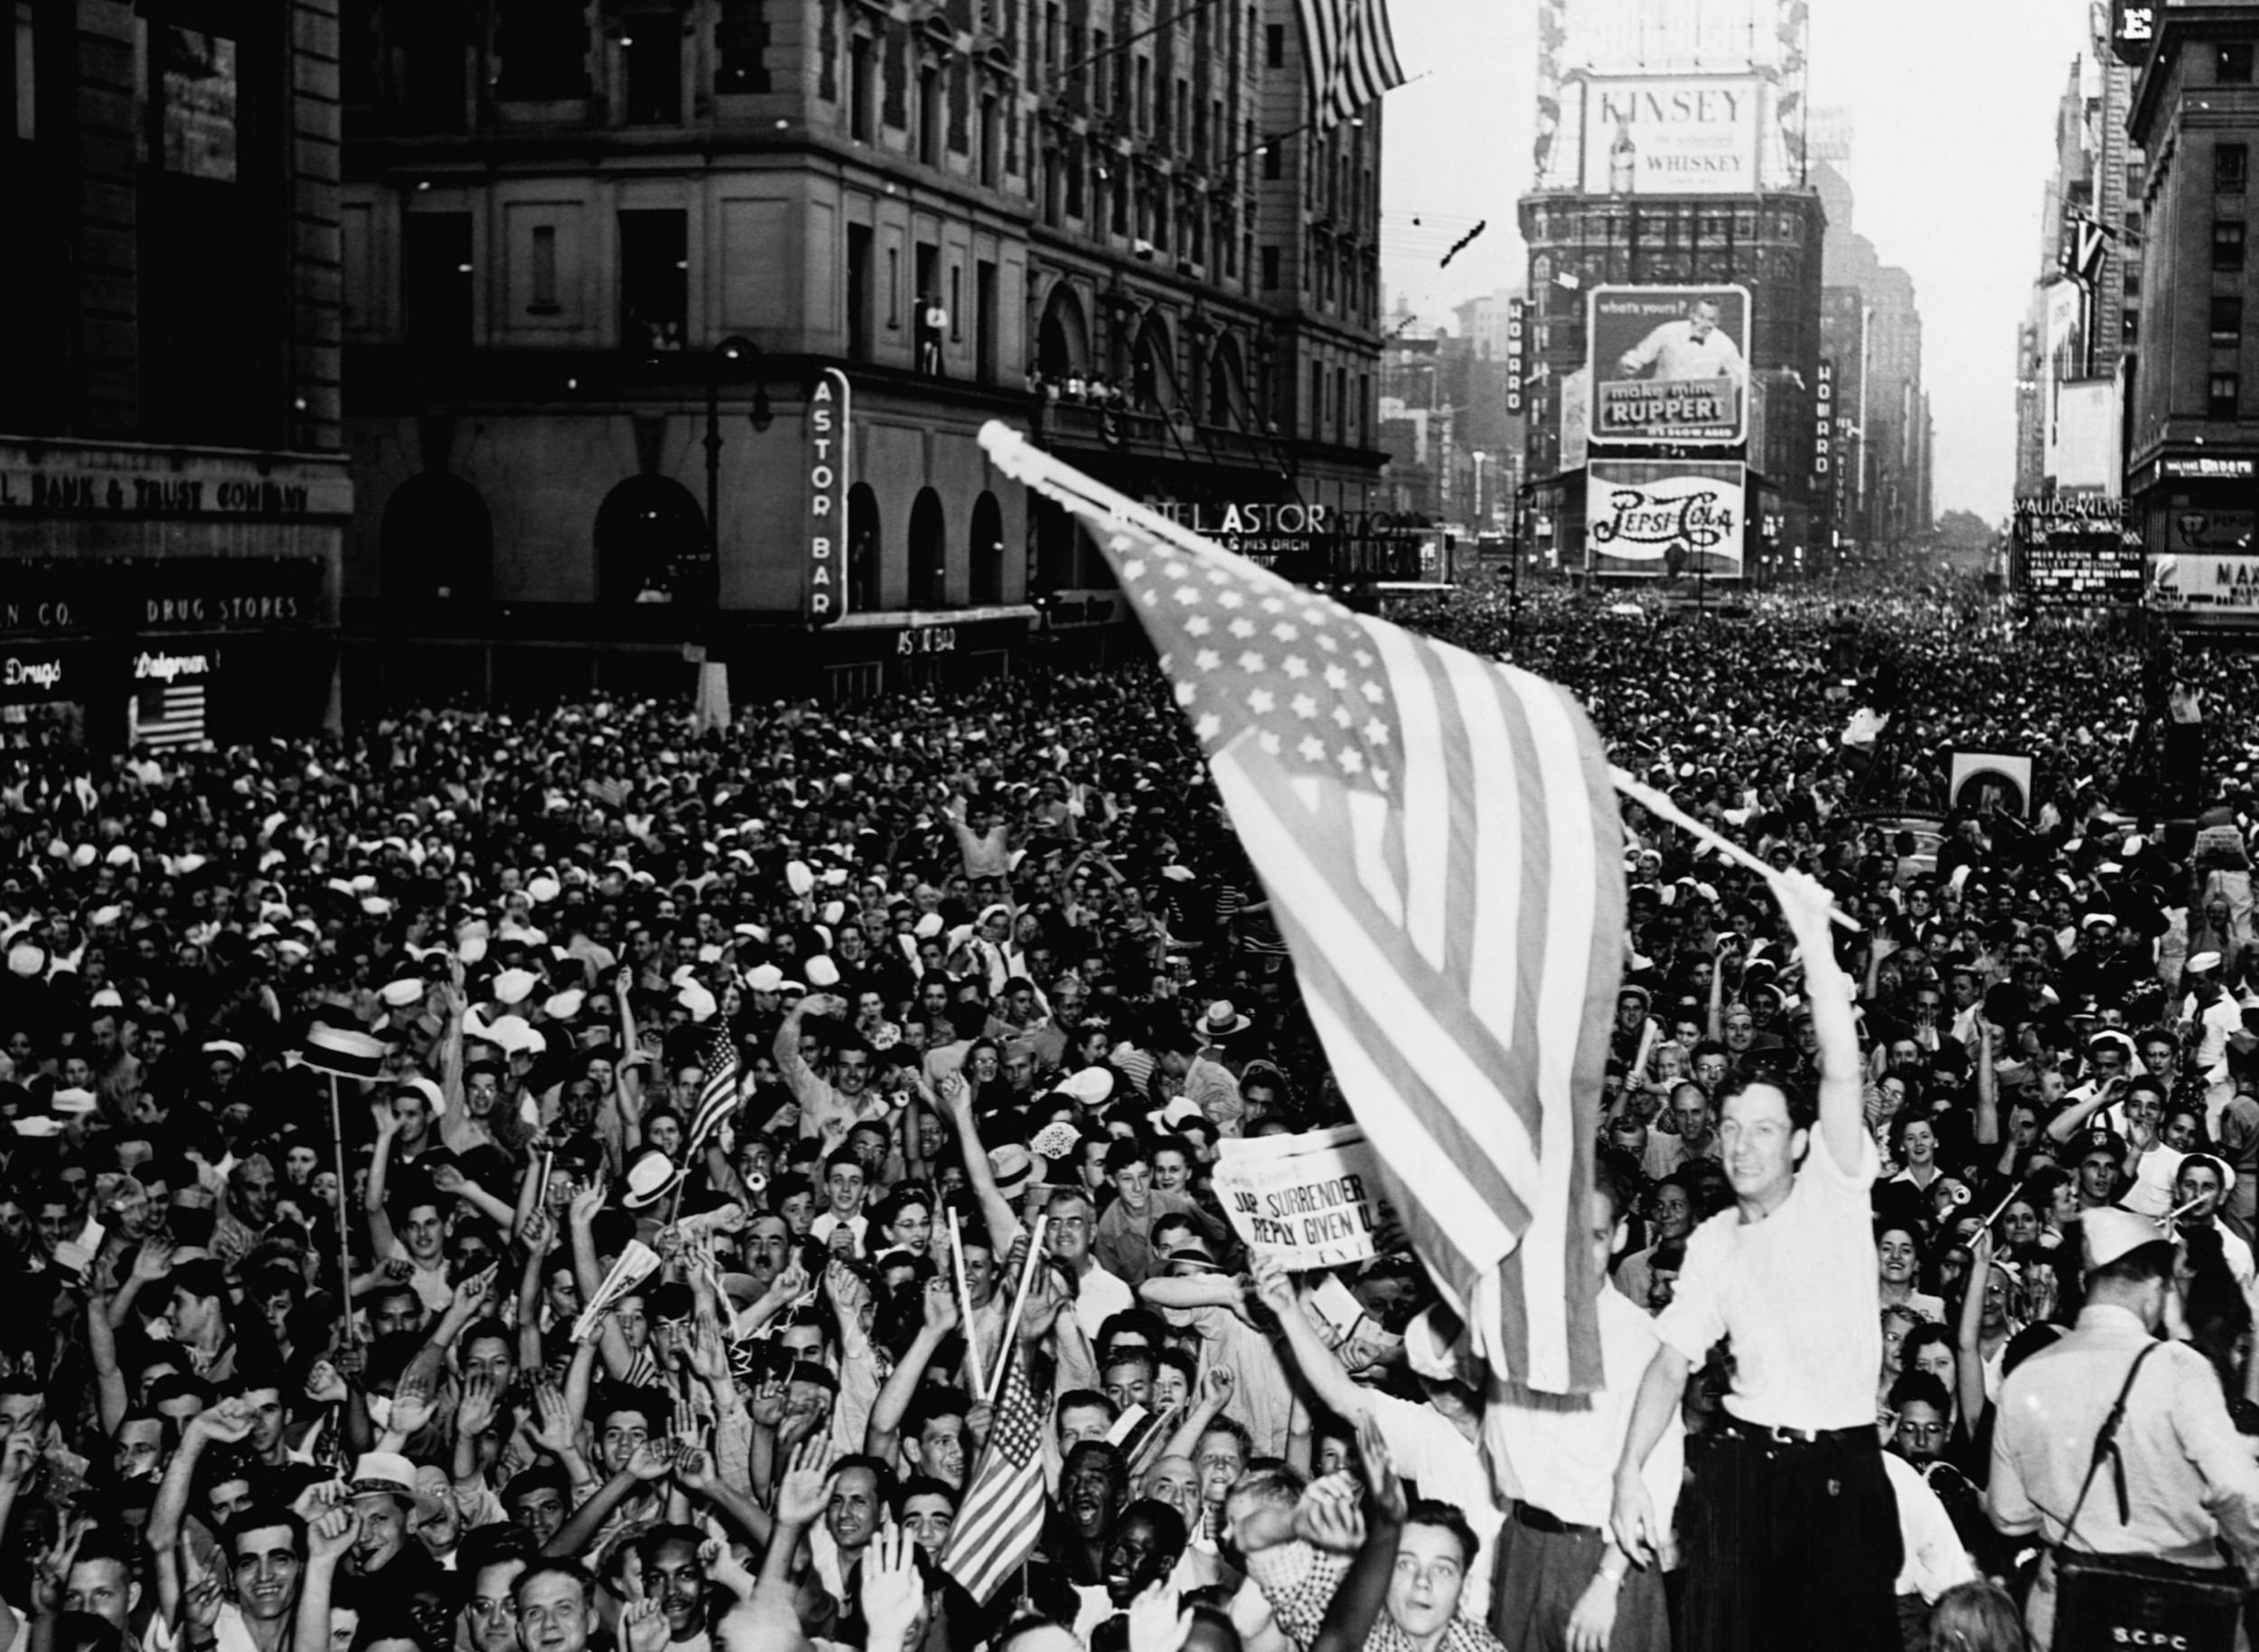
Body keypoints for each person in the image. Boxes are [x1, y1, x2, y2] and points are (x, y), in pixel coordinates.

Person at [1610, 870, 1900, 1652]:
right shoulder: (1712, 1241)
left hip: (1837, 1474)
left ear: (1800, 1142)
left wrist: (1810, 933)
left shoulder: (1833, 1194)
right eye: (1731, 1128)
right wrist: (1629, 1471)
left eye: (1764, 1129)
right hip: (1740, 1474)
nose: (1741, 1145)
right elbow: (1671, 1365)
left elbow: (1842, 1067)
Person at [1985, 1206, 2259, 1649]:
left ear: (2085, 1285)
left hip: (2070, 1610)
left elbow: (2010, 1516)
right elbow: (2239, 1491)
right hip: (2178, 1615)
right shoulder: (2179, 1368)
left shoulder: (2024, 1379)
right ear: (2156, 1288)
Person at [1614, 297, 1748, 391]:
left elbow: (1739, 375)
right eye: (1700, 316)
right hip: (1660, 404)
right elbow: (1637, 357)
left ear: (1718, 321)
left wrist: (1719, 391)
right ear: (1691, 314)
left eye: (1711, 319)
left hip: (1700, 412)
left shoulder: (1725, 344)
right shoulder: (1667, 331)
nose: (1704, 324)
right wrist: (1627, 369)